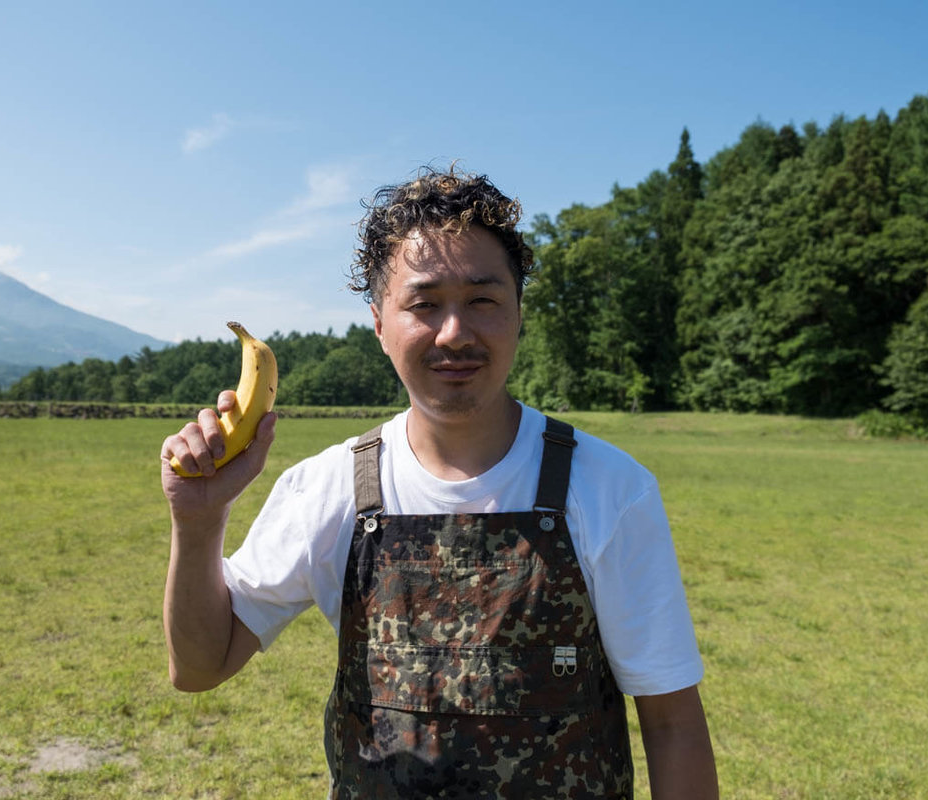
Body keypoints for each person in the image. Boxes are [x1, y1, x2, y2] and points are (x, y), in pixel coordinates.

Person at [160, 166, 718, 799]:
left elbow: (673, 726)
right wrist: (198, 522)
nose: (455, 333)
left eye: (483, 300)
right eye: (424, 304)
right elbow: (200, 666)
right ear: (378, 323)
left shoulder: (610, 489)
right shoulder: (326, 488)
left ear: (518, 314)